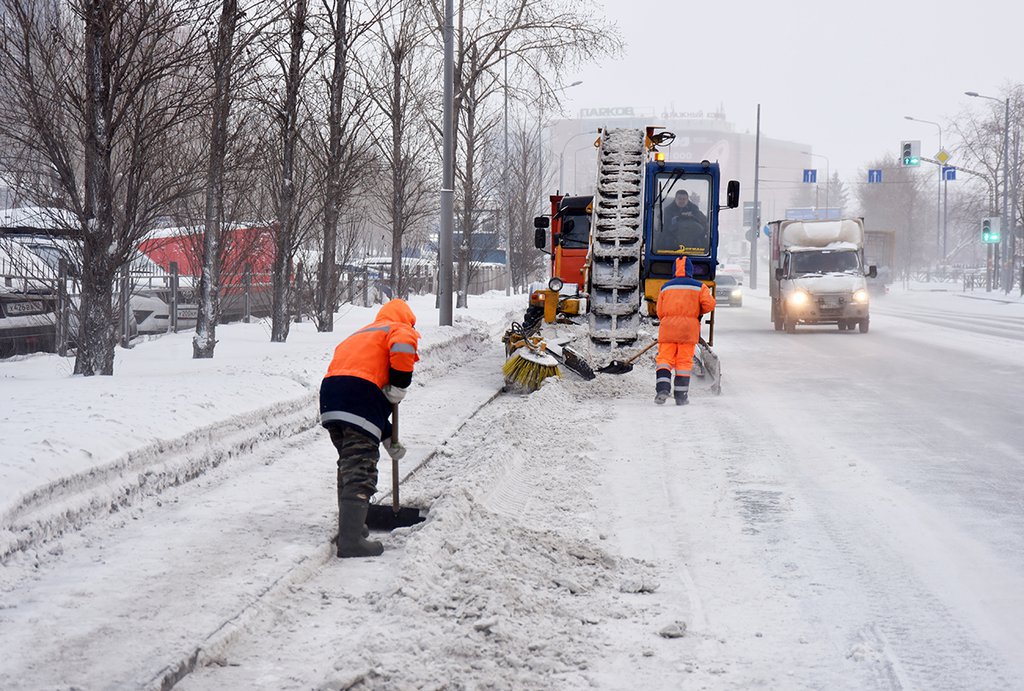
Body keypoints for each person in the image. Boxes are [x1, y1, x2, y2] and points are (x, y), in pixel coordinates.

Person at [320, 298, 420, 557]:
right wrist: (400, 383)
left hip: (332, 397)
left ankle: (352, 526)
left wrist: (388, 438)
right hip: (358, 397)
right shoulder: (398, 328)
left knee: (350, 462)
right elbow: (403, 346)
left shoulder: (363, 334)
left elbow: (360, 386)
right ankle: (351, 541)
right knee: (361, 468)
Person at [655, 257, 715, 406]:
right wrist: (697, 309)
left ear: (674, 270)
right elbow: (710, 305)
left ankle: (662, 390)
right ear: (690, 270)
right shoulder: (699, 287)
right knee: (683, 363)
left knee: (664, 360)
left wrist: (670, 318)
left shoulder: (665, 287)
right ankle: (681, 397)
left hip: (668, 330)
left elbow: (660, 312)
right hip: (688, 331)